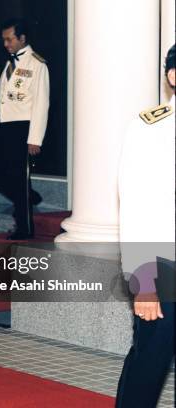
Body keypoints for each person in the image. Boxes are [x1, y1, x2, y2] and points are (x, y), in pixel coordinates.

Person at [115, 44, 175, 408]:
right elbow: (134, 206)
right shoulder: (150, 128)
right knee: (150, 364)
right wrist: (144, 284)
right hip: (165, 266)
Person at [0, 18, 49, 240]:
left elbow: (41, 104)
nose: (6, 44)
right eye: (4, 40)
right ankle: (29, 196)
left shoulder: (37, 64)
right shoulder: (10, 63)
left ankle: (24, 228)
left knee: (19, 177)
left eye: (9, 39)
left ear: (22, 38)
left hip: (24, 128)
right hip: (6, 126)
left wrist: (35, 137)